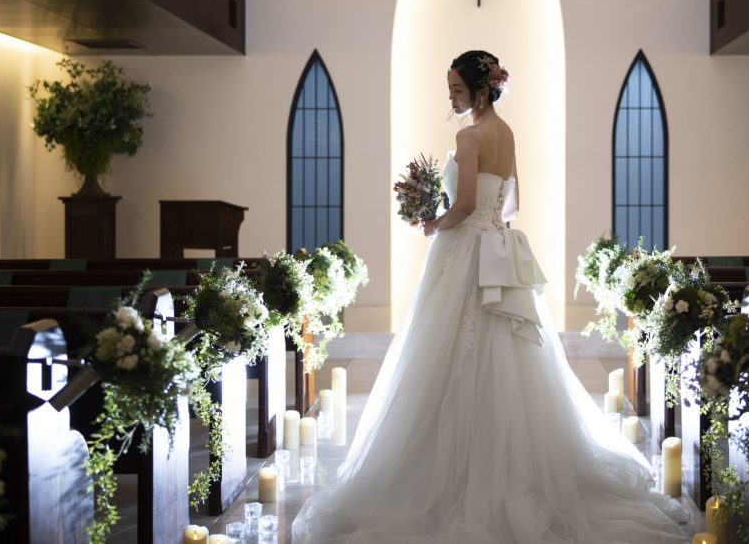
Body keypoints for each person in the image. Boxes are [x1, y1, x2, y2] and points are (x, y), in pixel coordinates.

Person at [291, 51, 689, 543]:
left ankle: (451, 476)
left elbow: (463, 206)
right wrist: (481, 219)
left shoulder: (468, 135)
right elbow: (512, 201)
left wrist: (432, 222)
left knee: (444, 355)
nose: (451, 98)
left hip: (465, 253)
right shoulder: (506, 132)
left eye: (456, 89)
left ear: (480, 89)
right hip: (499, 248)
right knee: (508, 356)